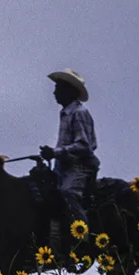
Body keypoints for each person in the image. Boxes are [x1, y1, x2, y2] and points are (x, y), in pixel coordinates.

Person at [39, 69, 99, 228]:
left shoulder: (79, 113)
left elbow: (84, 146)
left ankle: (81, 235)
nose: (54, 92)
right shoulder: (66, 113)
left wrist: (55, 152)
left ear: (69, 91)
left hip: (80, 167)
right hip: (64, 167)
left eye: (58, 88)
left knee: (68, 193)